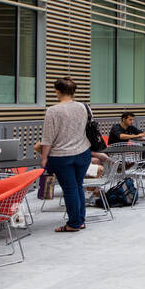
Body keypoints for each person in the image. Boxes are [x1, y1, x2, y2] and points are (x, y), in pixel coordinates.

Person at [39, 77, 92, 233]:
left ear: (57, 91)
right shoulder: (84, 107)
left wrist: (44, 158)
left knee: (69, 189)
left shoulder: (53, 110)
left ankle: (74, 223)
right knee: (78, 186)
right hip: (83, 152)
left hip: (61, 155)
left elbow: (48, 137)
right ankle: (80, 220)